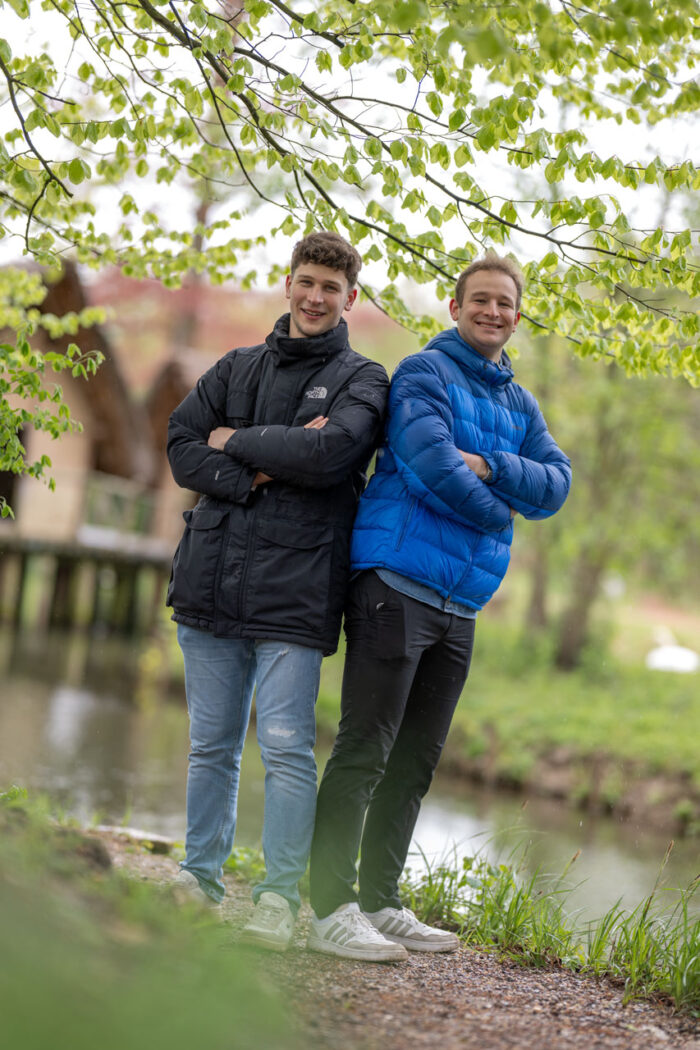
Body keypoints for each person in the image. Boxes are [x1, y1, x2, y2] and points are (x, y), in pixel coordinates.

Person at [307, 253, 572, 962]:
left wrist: (492, 466)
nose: (492, 311)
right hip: (395, 582)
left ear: (517, 317)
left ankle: (382, 901)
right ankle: (328, 907)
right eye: (479, 300)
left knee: (416, 761)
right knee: (365, 749)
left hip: (461, 604)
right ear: (455, 309)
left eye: (504, 304)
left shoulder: (521, 404)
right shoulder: (423, 374)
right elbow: (429, 463)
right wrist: (498, 512)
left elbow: (557, 483)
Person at [165, 231, 389, 951]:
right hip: (209, 581)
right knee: (211, 747)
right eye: (306, 282)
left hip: (294, 594)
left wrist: (233, 440)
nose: (315, 297)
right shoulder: (234, 365)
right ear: (286, 284)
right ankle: (198, 880)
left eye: (330, 287)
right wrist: (255, 461)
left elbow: (328, 456)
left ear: (349, 297)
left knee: (288, 748)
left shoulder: (365, 379)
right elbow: (179, 446)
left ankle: (274, 898)